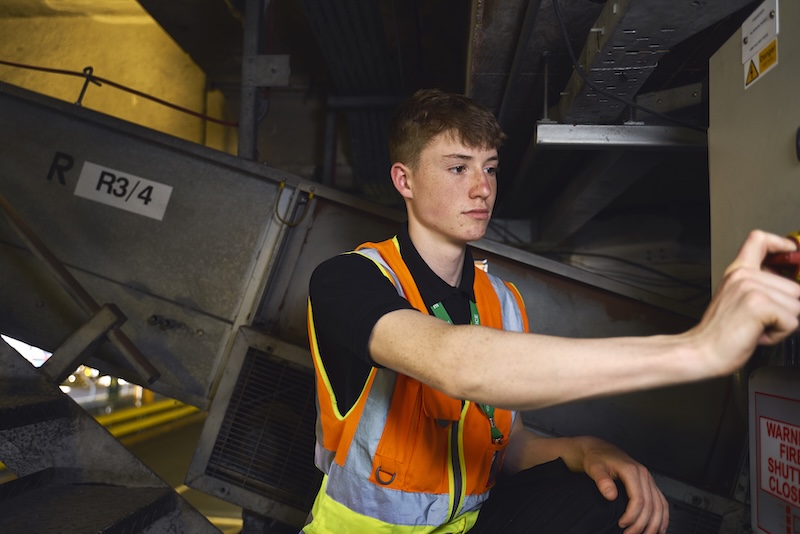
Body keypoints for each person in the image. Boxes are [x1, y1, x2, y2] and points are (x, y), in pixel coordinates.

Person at [303, 88, 800, 534]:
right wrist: (698, 349)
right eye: (458, 168)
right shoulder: (349, 278)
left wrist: (585, 450)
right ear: (404, 181)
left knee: (607, 495)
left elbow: (508, 443)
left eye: (490, 168)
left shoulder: (501, 300)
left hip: (470, 525)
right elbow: (458, 365)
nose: (482, 188)